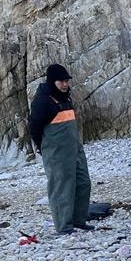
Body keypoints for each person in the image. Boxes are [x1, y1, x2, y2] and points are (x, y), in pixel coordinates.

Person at [28, 63, 93, 236]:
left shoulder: (66, 98)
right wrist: (43, 148)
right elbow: (34, 127)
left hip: (74, 149)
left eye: (66, 81)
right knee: (61, 187)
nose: (65, 84)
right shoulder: (43, 101)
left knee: (83, 182)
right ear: (52, 81)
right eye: (61, 81)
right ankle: (64, 225)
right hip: (56, 152)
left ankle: (79, 220)